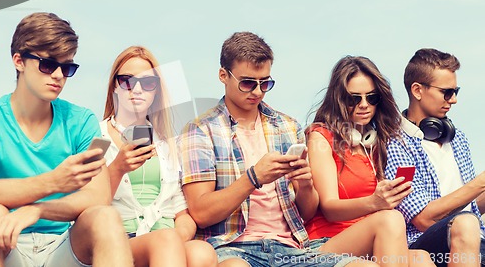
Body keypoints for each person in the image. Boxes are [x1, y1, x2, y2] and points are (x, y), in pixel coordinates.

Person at [179, 32, 375, 267]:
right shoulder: (200, 130)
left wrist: (305, 185)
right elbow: (201, 213)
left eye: (266, 83)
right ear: (223, 76)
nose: (258, 91)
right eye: (248, 83)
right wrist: (253, 178)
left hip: (290, 249)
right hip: (233, 248)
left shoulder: (287, 126)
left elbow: (307, 212)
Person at [0, 12, 133, 267]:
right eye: (47, 64)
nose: (58, 75)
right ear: (18, 61)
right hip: (6, 244)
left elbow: (97, 196)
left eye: (67, 67)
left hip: (63, 246)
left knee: (105, 217)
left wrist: (36, 211)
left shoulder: (81, 120)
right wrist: (54, 182)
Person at [305, 56, 433, 267]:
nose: (364, 105)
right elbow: (329, 207)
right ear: (339, 99)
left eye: (371, 98)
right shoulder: (321, 137)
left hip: (374, 241)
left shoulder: (377, 142)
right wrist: (374, 202)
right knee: (389, 218)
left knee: (421, 259)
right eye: (354, 99)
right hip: (327, 242)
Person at [100, 45, 218, 267]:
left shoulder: (169, 145)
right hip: (122, 239)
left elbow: (181, 211)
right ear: (114, 86)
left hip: (167, 237)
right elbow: (89, 204)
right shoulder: (97, 135)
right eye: (127, 80)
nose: (137, 89)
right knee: (164, 241)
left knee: (202, 252)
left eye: (147, 83)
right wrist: (117, 168)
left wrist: (179, 235)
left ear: (156, 91)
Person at [385, 48, 485, 267]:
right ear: (418, 90)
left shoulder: (458, 139)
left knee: (468, 223)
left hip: (471, 238)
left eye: (456, 91)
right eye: (447, 92)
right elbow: (423, 219)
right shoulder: (395, 143)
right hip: (424, 245)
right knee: (467, 224)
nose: (454, 100)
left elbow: (468, 205)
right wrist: (480, 183)